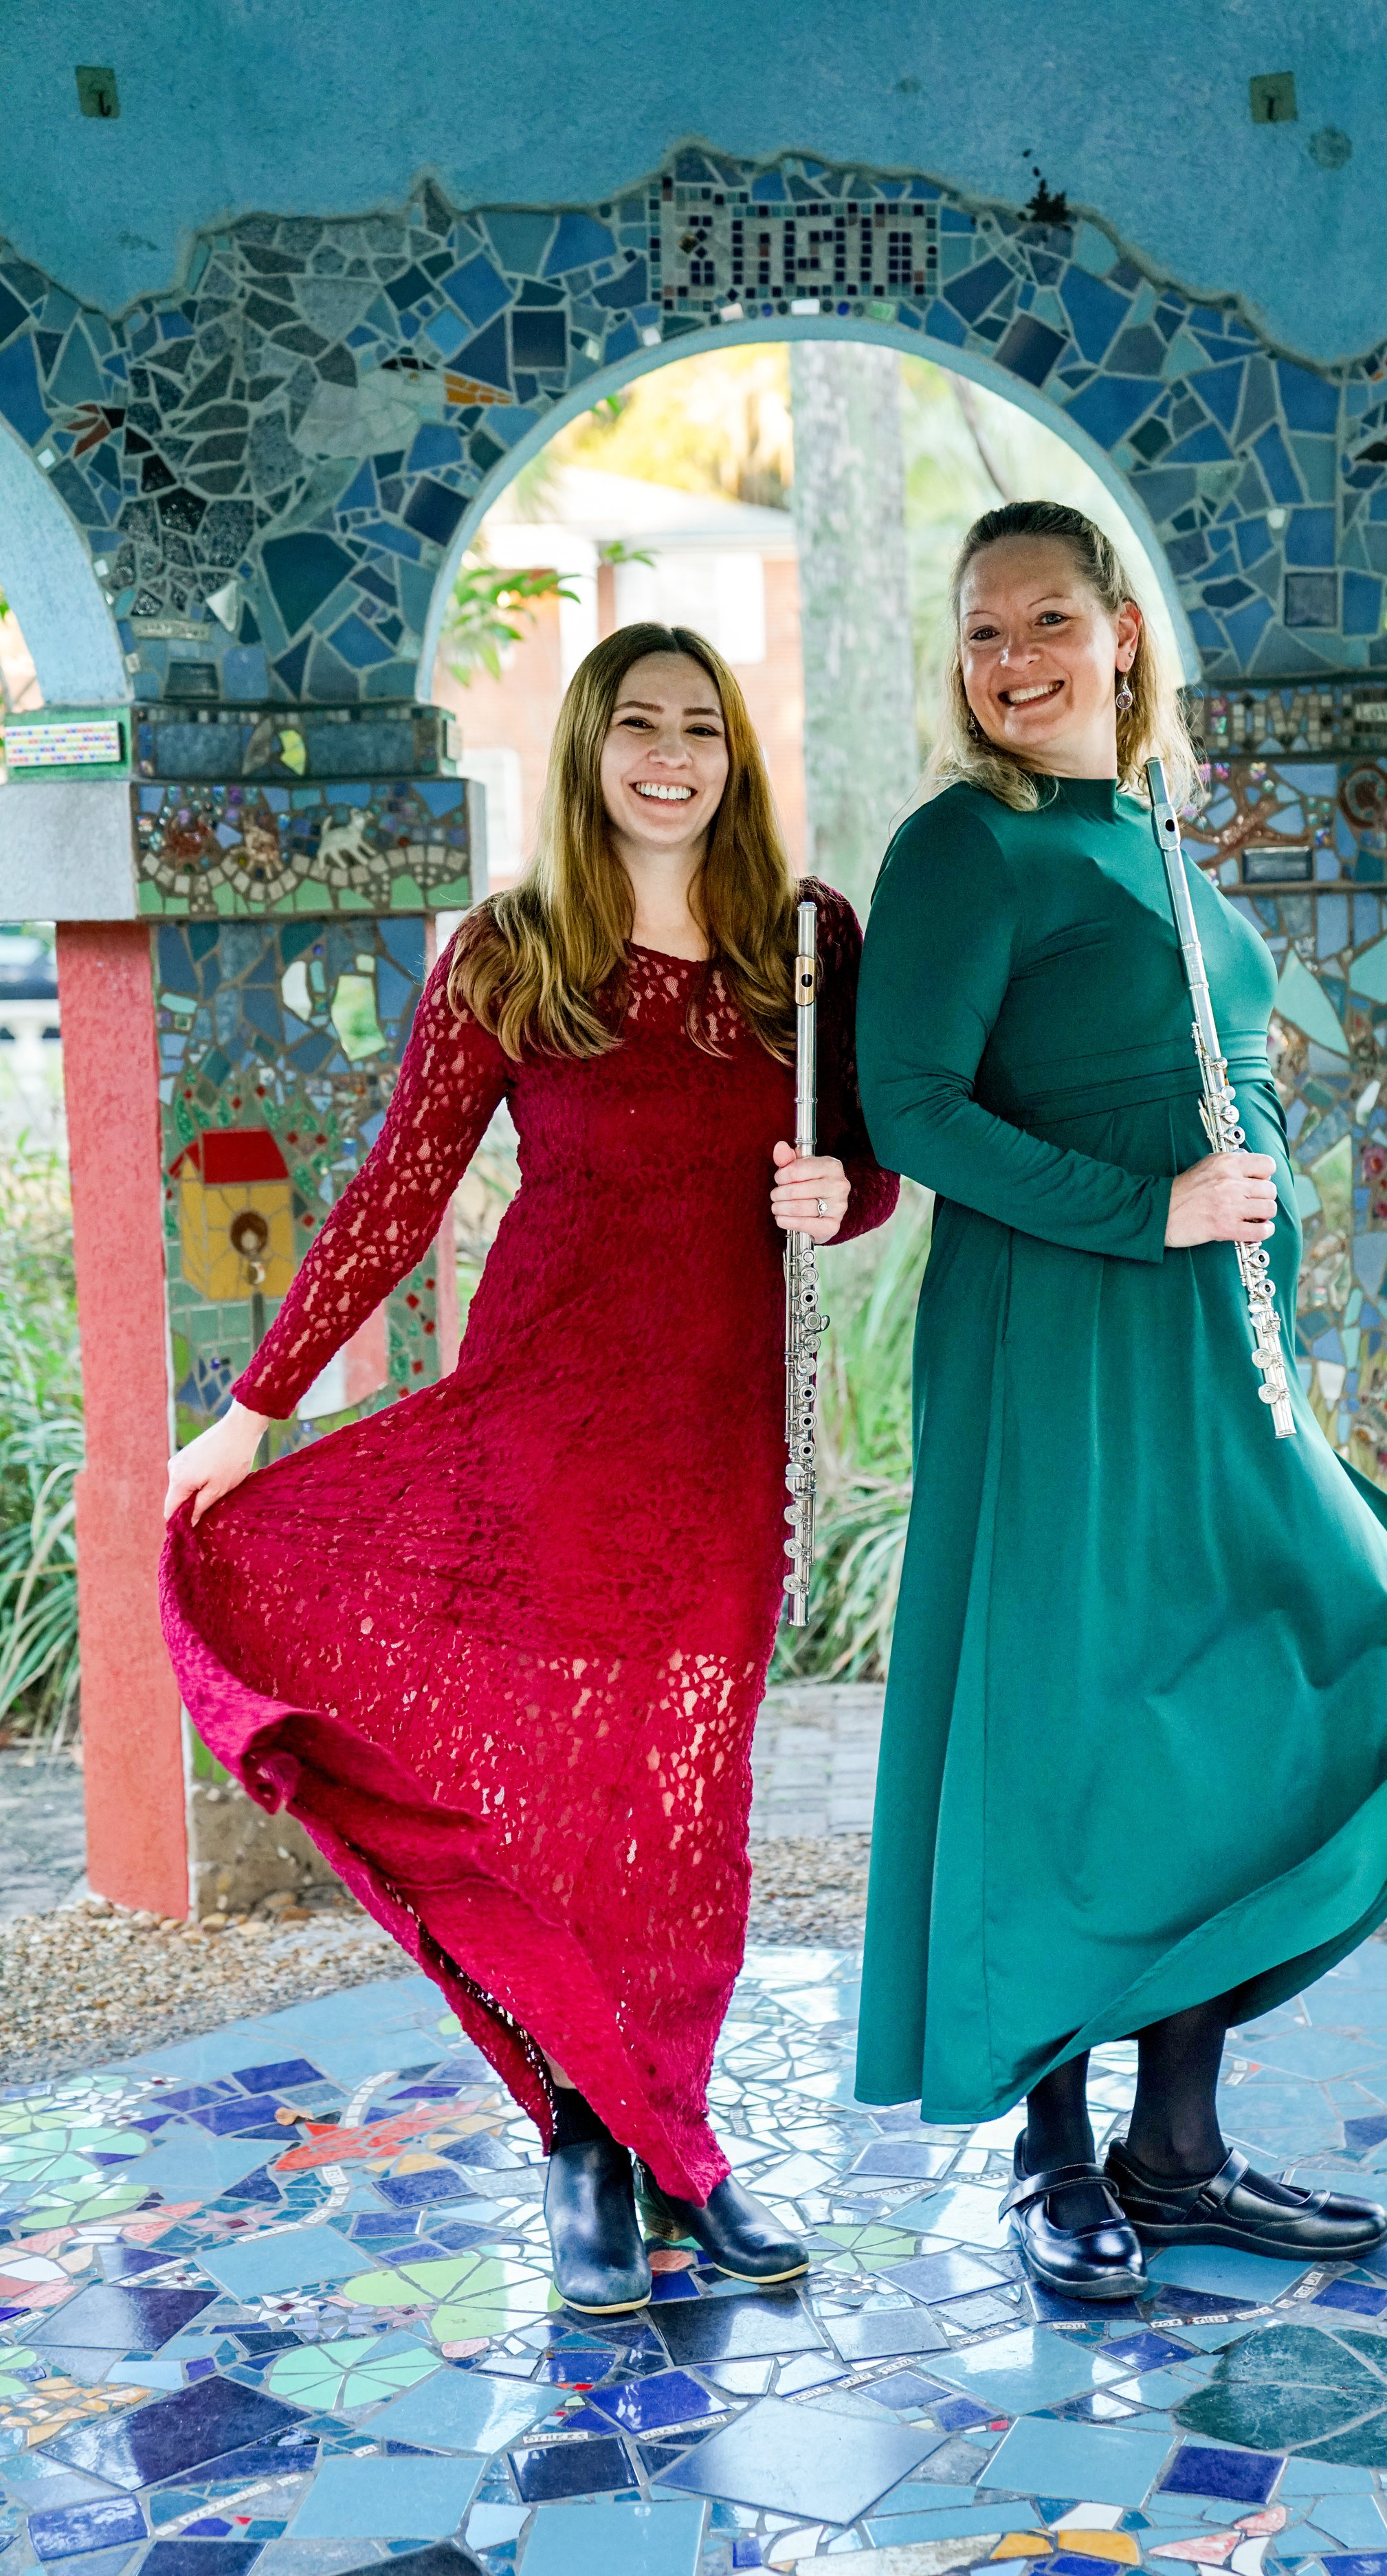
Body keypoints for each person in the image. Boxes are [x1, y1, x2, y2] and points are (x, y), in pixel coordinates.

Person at [852, 500, 1387, 2302]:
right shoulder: (957, 848)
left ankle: (1180, 2142)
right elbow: (911, 1104)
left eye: (1048, 621)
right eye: (983, 630)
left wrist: (1260, 1291)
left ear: (1123, 632)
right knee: (1070, 1710)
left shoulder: (1155, 831)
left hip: (1210, 1357)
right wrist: (1142, 1208)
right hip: (1054, 1347)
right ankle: (1053, 2150)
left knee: (1281, 1658)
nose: (1014, 661)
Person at [161, 623, 898, 2313]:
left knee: (683, 1815)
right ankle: (587, 2136)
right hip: (543, 1430)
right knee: (556, 1799)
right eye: (636, 724)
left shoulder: (803, 943)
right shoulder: (511, 954)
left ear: (734, 754)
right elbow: (392, 1197)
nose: (670, 753)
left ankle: (674, 2136)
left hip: (719, 1452)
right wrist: (254, 1409)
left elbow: (865, 1162)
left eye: (699, 727)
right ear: (585, 752)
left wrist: (833, 1201)